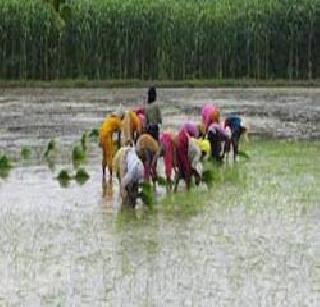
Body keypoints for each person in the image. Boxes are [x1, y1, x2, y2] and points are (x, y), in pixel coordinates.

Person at [99, 113, 123, 180]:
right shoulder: (117, 121)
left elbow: (112, 131)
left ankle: (104, 174)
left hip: (101, 136)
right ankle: (111, 176)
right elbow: (119, 132)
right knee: (109, 156)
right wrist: (119, 143)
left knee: (104, 156)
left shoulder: (108, 119)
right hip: (107, 136)